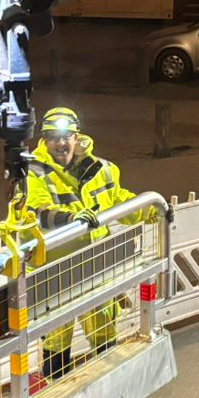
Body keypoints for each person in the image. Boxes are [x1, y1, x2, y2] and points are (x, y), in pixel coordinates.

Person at [24, 106, 138, 383]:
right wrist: (72, 218)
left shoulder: (103, 168)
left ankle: (110, 395)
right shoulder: (33, 171)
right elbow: (35, 210)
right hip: (56, 269)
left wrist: (150, 208)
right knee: (55, 335)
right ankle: (57, 395)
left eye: (65, 137)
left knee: (103, 330)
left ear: (76, 136)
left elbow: (118, 198)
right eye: (53, 137)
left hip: (94, 265)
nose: (60, 144)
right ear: (44, 140)